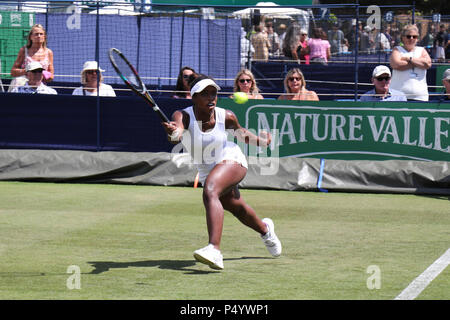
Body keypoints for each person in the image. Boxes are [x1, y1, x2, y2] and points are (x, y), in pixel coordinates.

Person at [162, 75, 282, 270]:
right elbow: (176, 134)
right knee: (238, 209)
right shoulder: (182, 116)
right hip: (206, 168)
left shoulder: (226, 115)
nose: (211, 98)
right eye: (205, 94)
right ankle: (266, 230)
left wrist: (263, 142)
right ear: (194, 97)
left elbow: (241, 133)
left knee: (210, 190)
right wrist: (173, 132)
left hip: (232, 160)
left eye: (213, 93)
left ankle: (214, 250)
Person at [389, 24, 432, 101]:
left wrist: (409, 58)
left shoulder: (422, 50)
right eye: (408, 36)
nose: (411, 39)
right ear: (403, 37)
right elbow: (396, 64)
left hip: (420, 97)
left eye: (414, 36)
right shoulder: (397, 50)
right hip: (398, 97)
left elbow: (428, 64)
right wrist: (419, 63)